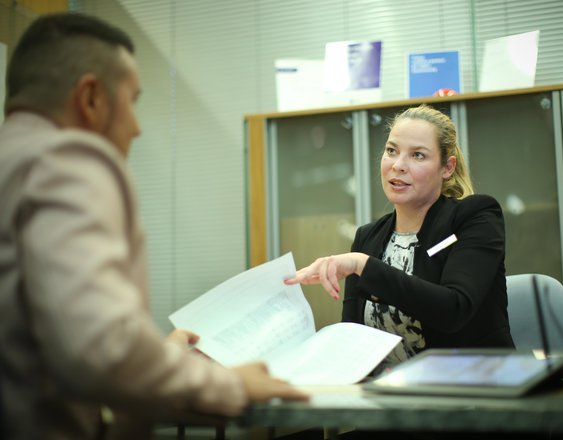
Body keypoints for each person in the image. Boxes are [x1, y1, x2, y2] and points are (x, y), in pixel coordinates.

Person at [0, 12, 307, 440]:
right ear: (90, 98)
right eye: (131, 101)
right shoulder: (66, 162)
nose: (138, 127)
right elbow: (99, 350)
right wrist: (231, 386)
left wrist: (159, 358)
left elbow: (43, 337)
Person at [286, 104, 513, 365]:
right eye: (391, 151)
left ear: (447, 168)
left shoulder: (475, 216)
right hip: (388, 396)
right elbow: (352, 337)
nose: (398, 165)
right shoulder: (367, 238)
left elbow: (453, 309)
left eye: (418, 155)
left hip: (471, 387)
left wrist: (363, 265)